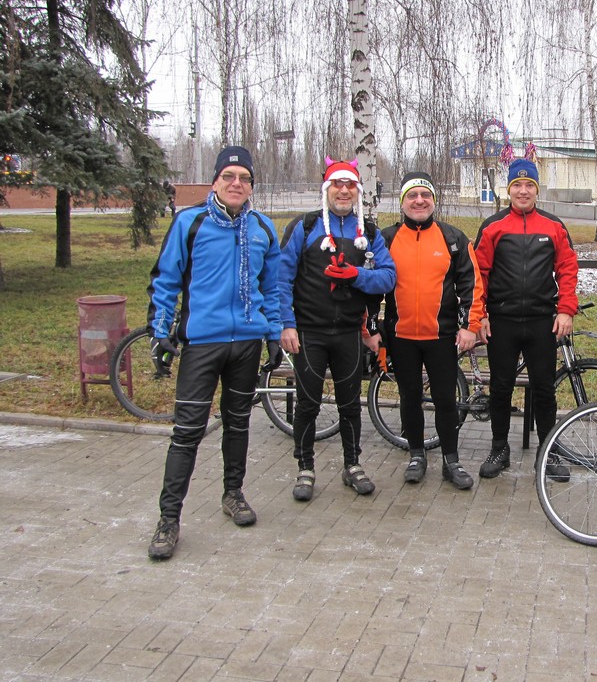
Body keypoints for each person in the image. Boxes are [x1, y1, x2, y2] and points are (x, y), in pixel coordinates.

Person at [146, 145, 282, 561]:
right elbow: (165, 280)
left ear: (252, 186)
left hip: (246, 345)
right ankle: (168, 520)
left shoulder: (262, 228)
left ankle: (233, 494)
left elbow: (273, 287)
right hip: (202, 344)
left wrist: (274, 334)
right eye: (229, 176)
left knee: (238, 424)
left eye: (244, 178)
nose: (236, 183)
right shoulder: (190, 222)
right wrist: (159, 332)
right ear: (216, 181)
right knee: (187, 432)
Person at [278, 157, 396, 502]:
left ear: (357, 191)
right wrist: (286, 323)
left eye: (350, 186)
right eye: (337, 185)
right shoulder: (305, 227)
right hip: (309, 332)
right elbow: (281, 279)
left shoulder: (369, 232)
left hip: (348, 332)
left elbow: (388, 277)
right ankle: (305, 468)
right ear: (326, 189)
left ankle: (352, 465)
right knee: (308, 404)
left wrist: (356, 276)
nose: (343, 191)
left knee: (350, 405)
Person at [370, 171, 484, 490]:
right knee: (409, 398)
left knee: (445, 399)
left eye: (425, 195)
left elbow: (472, 285)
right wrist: (371, 327)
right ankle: (417, 456)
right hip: (401, 336)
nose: (419, 201)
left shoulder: (453, 238)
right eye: (412, 195)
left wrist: (469, 326)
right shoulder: (387, 239)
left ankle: (451, 461)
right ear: (402, 202)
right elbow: (371, 287)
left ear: (434, 200)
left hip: (441, 336)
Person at [473, 157, 579, 479]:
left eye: (529, 185)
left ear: (536, 189)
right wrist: (480, 316)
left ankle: (548, 452)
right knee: (501, 388)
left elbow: (568, 269)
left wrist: (566, 309)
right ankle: (499, 448)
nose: (523, 191)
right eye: (517, 185)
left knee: (545, 390)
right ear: (508, 190)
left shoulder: (553, 226)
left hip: (541, 321)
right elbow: (479, 274)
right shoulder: (493, 226)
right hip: (502, 322)